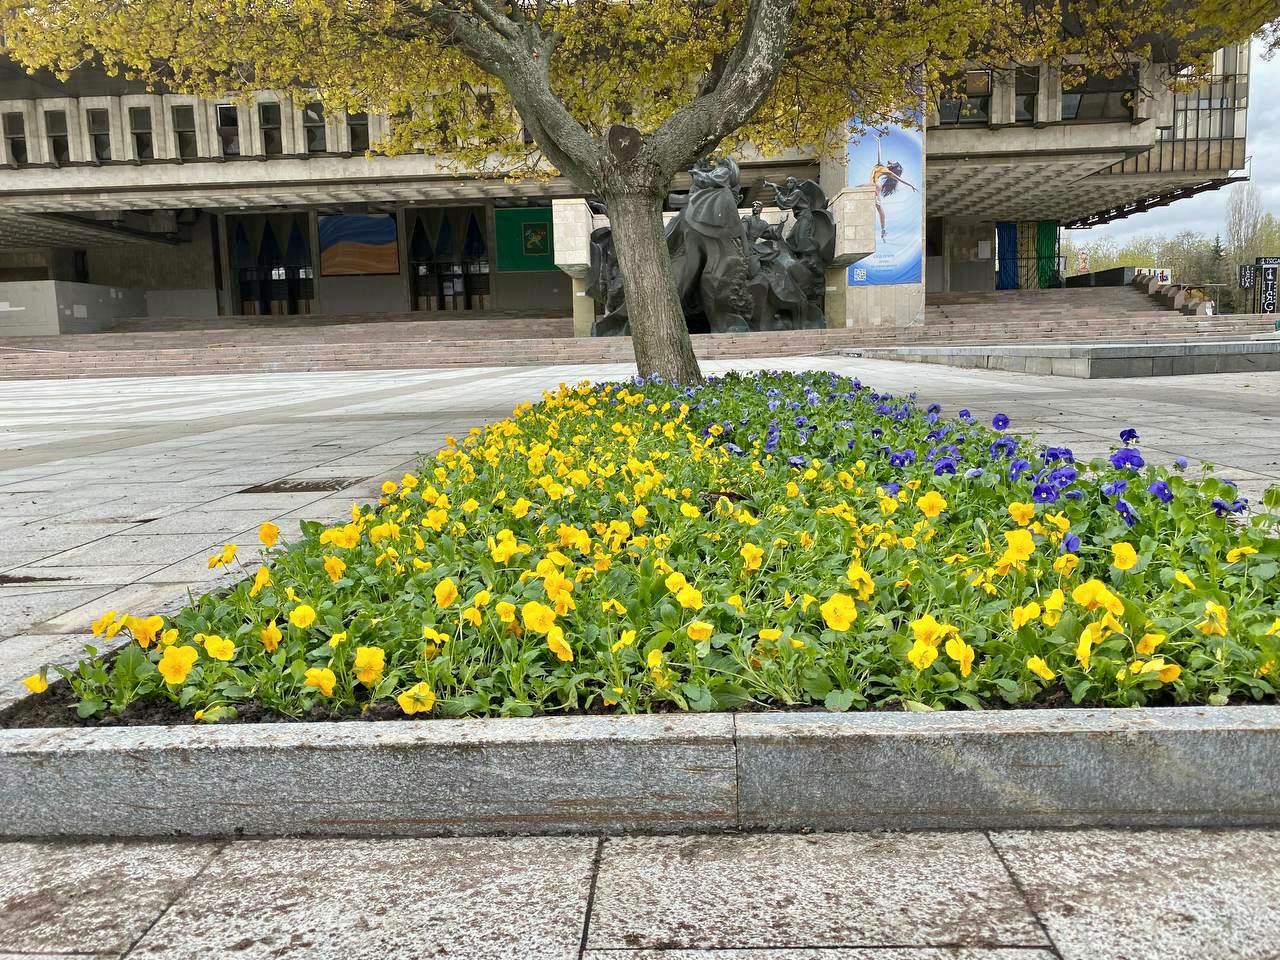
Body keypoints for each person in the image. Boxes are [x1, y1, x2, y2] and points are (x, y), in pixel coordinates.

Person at [868, 134, 917, 240]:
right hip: (874, 186)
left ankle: (882, 229)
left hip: (875, 185)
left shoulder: (887, 171)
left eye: (892, 162)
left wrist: (911, 185)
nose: (890, 160)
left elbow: (900, 179)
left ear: (892, 166)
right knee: (878, 207)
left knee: (875, 204)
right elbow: (879, 155)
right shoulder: (880, 165)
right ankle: (883, 230)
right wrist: (878, 142)